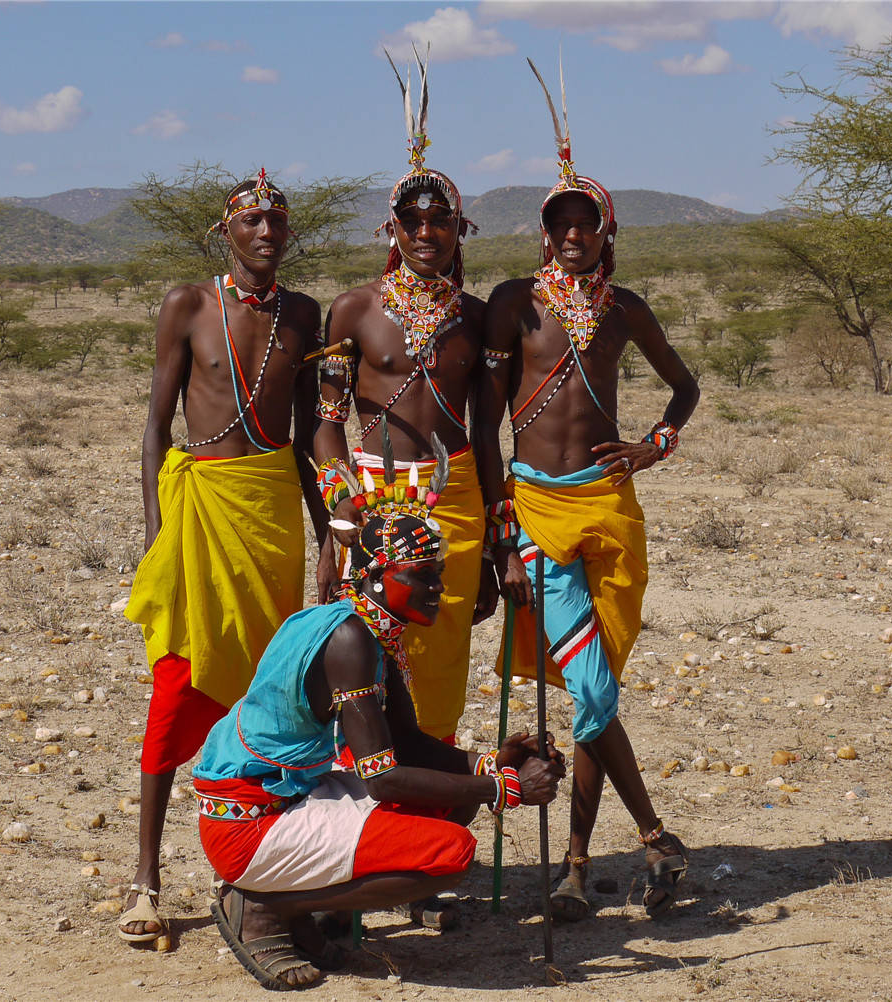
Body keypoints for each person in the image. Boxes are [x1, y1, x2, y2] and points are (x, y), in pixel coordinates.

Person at [192, 439, 565, 990]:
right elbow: (384, 776)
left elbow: (408, 742)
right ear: (374, 575)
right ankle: (267, 907)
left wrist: (489, 762)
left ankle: (307, 908)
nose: (438, 587)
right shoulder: (350, 642)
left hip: (283, 796)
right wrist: (505, 790)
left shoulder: (368, 626)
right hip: (247, 824)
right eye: (422, 575)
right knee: (452, 852)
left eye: (438, 572)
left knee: (444, 806)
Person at [473, 60, 701, 923]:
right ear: (545, 232)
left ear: (607, 230)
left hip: (608, 511)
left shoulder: (625, 309)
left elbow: (686, 389)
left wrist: (651, 449)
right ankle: (644, 842)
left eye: (587, 222)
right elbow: (487, 424)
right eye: (561, 222)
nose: (574, 234)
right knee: (586, 688)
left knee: (594, 691)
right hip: (533, 506)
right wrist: (502, 532)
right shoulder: (510, 303)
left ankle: (577, 866)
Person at [119, 172, 328, 944]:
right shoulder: (188, 305)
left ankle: (254, 870)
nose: (266, 232)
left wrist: (331, 536)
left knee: (270, 693)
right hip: (201, 511)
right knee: (176, 688)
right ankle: (144, 878)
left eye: (277, 220)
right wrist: (155, 529)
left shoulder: (304, 316)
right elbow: (154, 425)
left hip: (273, 512)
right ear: (226, 233)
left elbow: (310, 438)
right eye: (252, 222)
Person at [314, 51, 495, 849]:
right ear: (393, 228)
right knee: (369, 667)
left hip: (453, 506)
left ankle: (424, 838)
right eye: (412, 222)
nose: (427, 234)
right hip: (374, 507)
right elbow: (325, 420)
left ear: (461, 230)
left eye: (442, 221)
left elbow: (487, 433)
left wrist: (497, 542)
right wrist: (339, 511)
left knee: (443, 669)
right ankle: (367, 836)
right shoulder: (352, 311)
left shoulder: (480, 320)